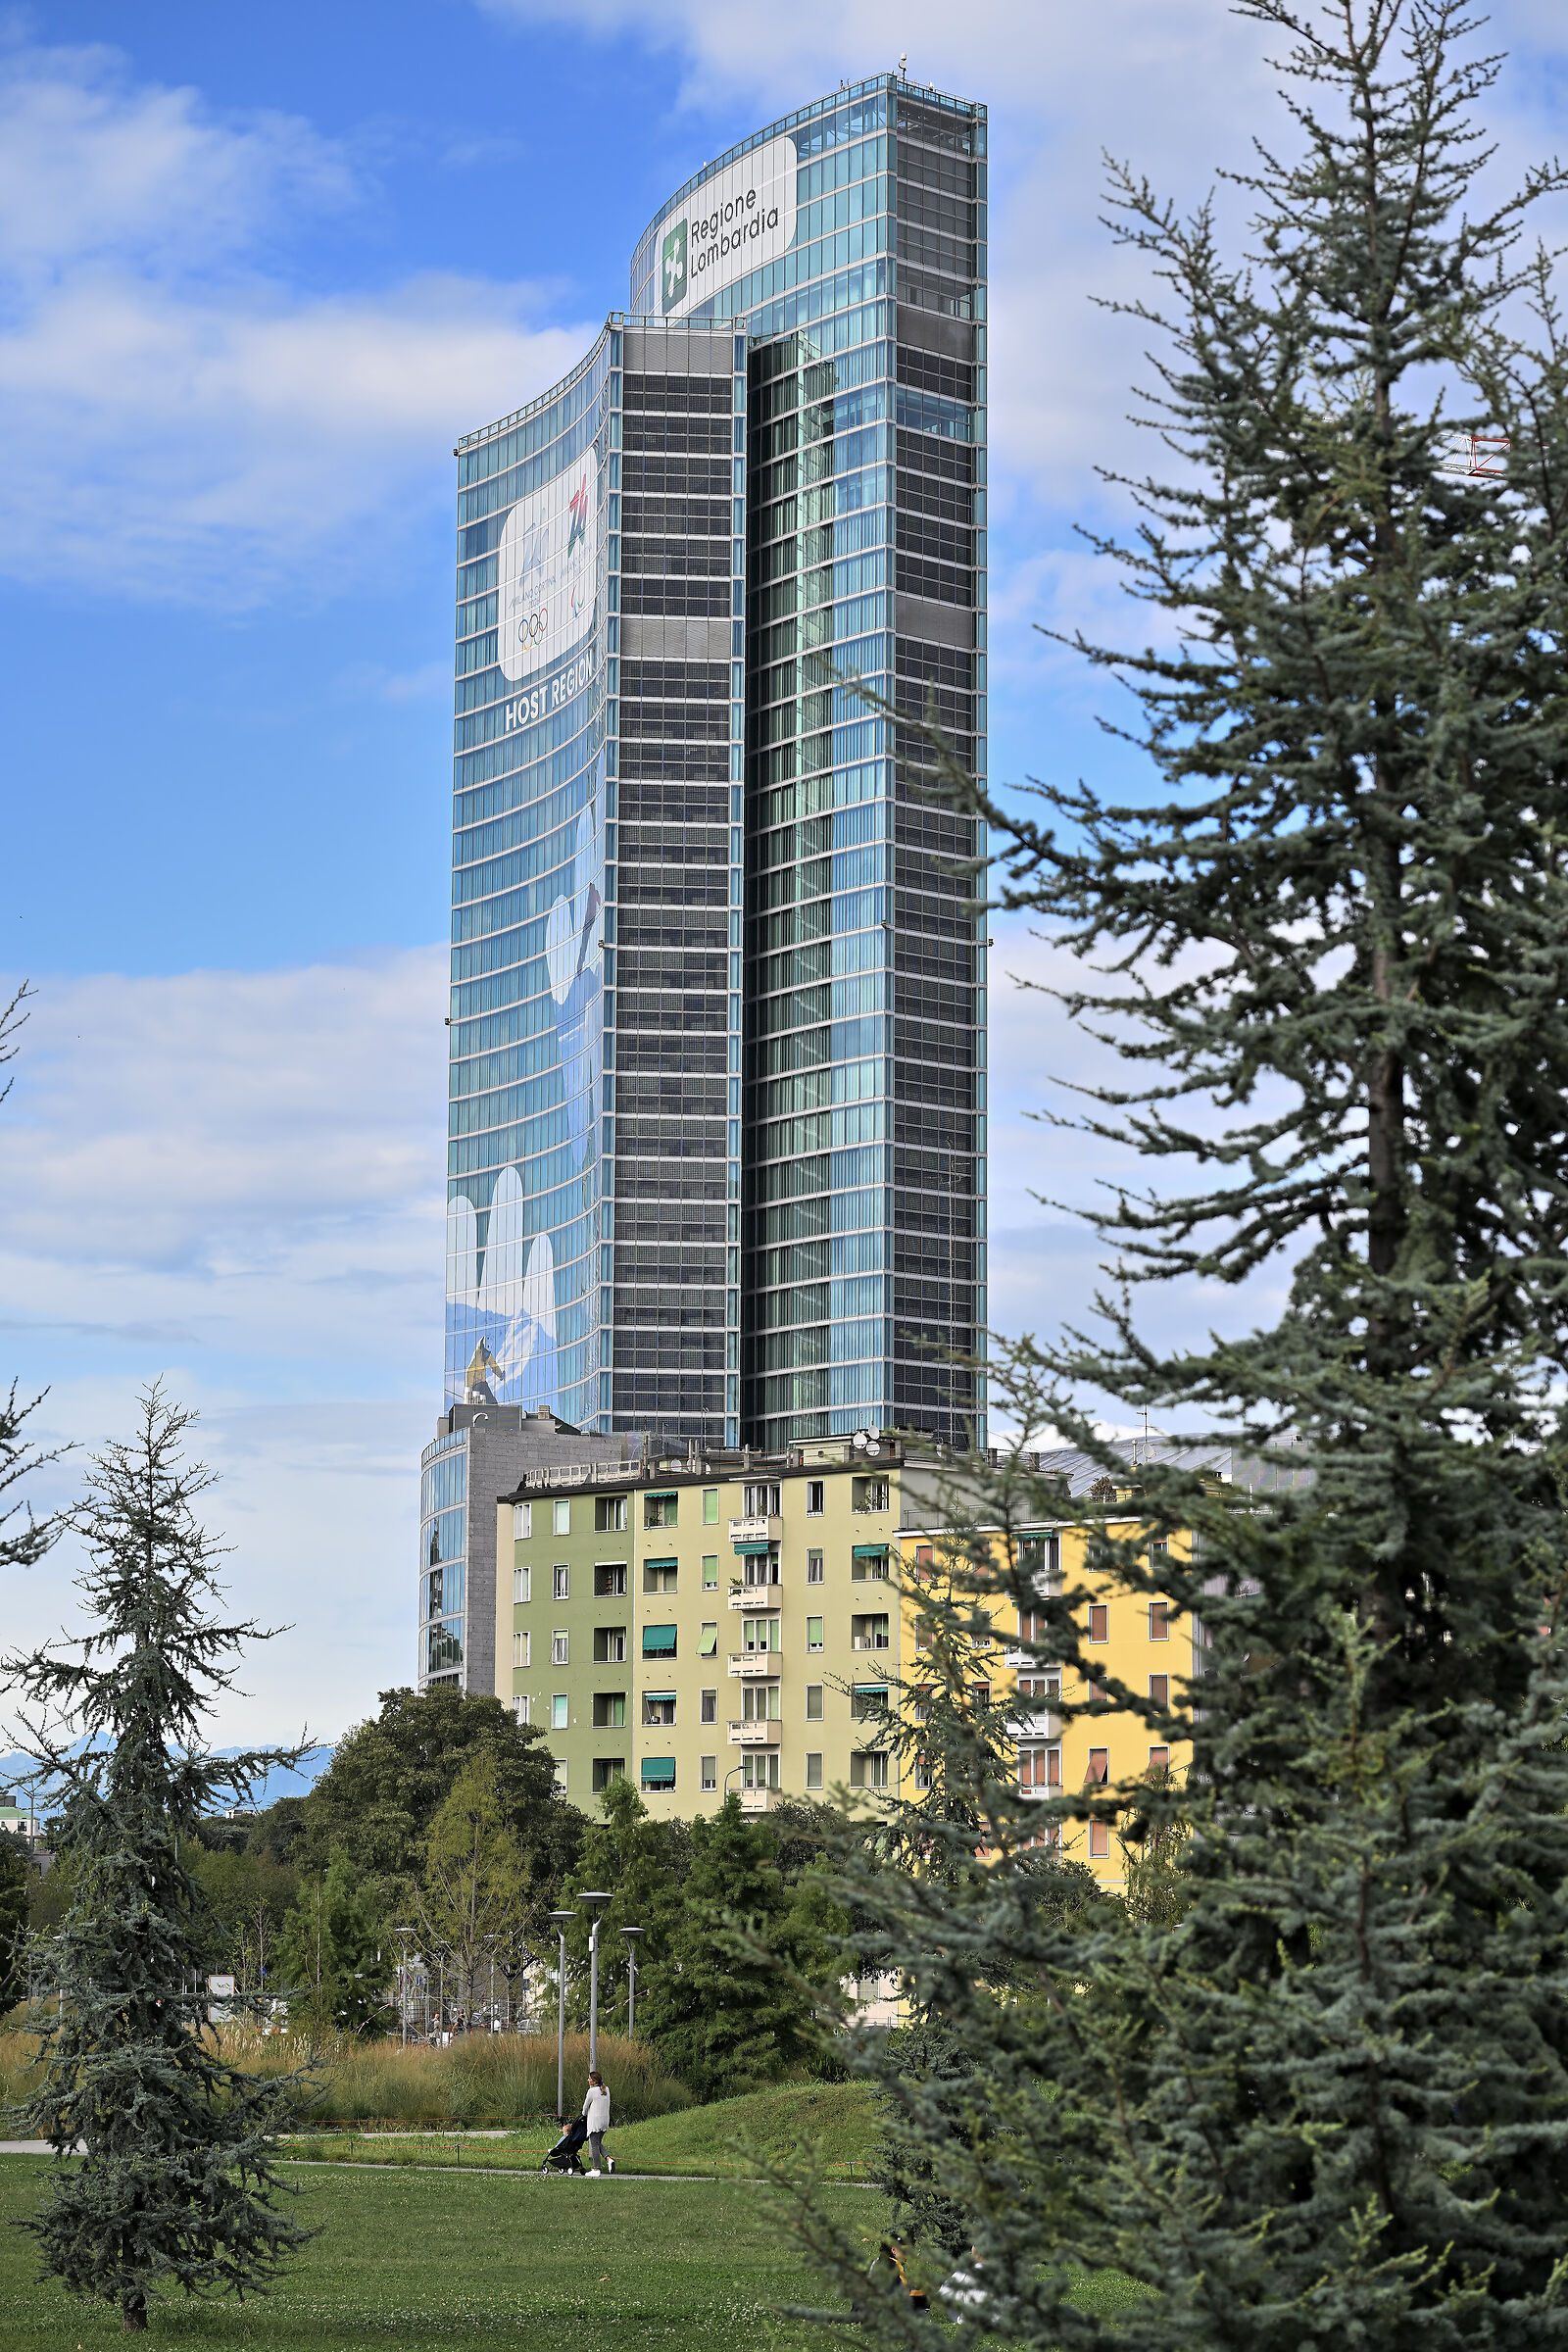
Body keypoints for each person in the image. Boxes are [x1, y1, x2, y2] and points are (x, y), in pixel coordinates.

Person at [582, 2071, 611, 2175]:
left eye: (589, 2078)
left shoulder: (591, 2091)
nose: (588, 2080)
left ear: (594, 2081)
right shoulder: (606, 2089)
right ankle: (608, 2159)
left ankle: (596, 2169)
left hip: (595, 2122)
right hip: (604, 2121)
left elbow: (586, 2106)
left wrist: (583, 2114)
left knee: (594, 2144)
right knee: (597, 2143)